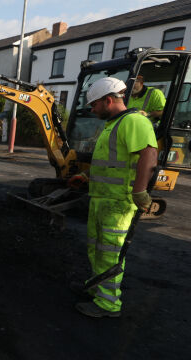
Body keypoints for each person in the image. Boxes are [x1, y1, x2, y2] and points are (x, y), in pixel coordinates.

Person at [68, 77, 157, 318]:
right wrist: (86, 177)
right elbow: (111, 164)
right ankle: (97, 287)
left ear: (108, 100)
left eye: (94, 105)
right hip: (102, 200)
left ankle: (108, 304)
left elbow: (149, 154)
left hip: (118, 203)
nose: (93, 110)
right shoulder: (113, 125)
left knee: (109, 253)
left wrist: (140, 191)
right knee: (96, 250)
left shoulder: (135, 121)